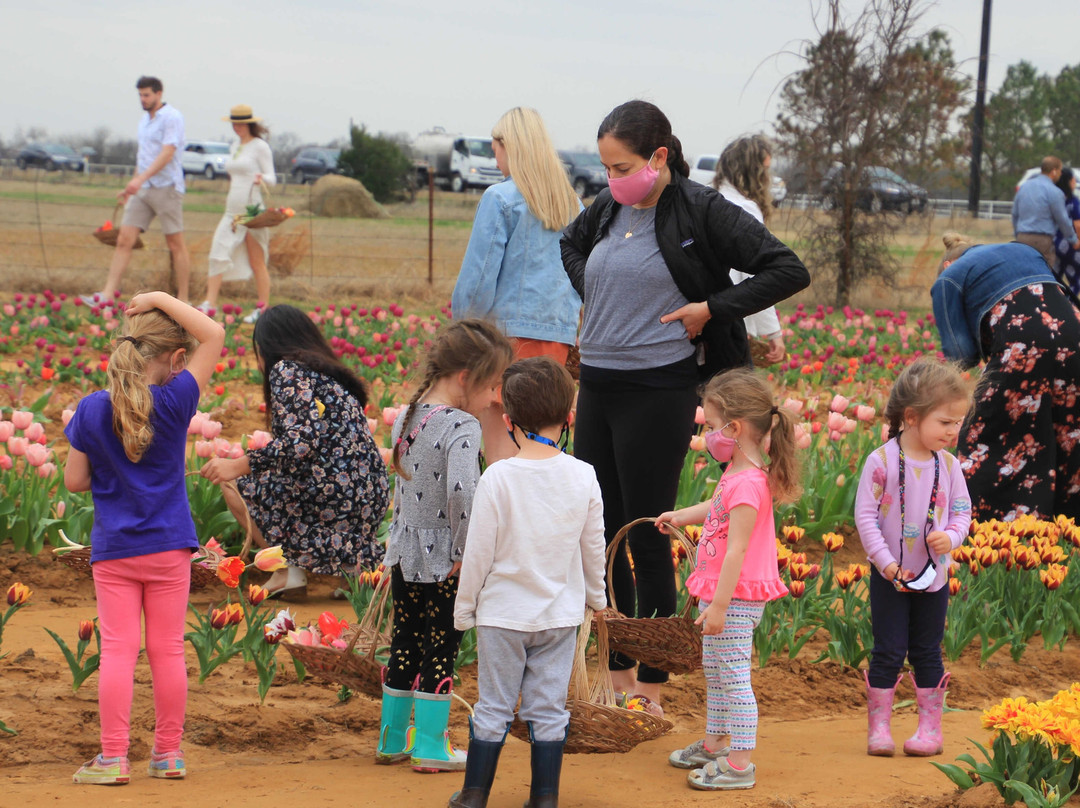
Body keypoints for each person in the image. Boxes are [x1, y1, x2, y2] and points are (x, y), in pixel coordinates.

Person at [560, 100, 809, 712]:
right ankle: (613, 676)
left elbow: (786, 268)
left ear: (659, 157)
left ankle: (652, 681)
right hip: (598, 384)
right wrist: (597, 291)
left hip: (659, 387)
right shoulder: (608, 206)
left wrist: (712, 309)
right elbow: (569, 246)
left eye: (622, 167)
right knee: (602, 532)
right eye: (607, 169)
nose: (613, 180)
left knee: (646, 530)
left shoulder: (702, 209)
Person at [63, 292, 224, 784]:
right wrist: (157, 298)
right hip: (170, 546)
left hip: (116, 550)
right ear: (176, 359)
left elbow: (74, 482)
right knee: (168, 650)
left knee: (117, 651)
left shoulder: (91, 410)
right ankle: (168, 755)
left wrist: (112, 469)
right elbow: (214, 334)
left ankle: (112, 759)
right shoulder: (176, 403)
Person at [449, 357, 606, 808]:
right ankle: (544, 799)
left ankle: (475, 796)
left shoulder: (498, 477)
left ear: (508, 421)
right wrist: (596, 599)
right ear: (569, 418)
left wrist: (465, 608)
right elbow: (592, 548)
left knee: (495, 705)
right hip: (559, 617)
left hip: (503, 616)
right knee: (548, 708)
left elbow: (478, 553)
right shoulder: (584, 475)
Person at [377, 319, 513, 774]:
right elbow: (461, 491)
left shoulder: (407, 416)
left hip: (405, 552)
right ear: (464, 378)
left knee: (405, 641)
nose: (495, 398)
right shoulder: (462, 424)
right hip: (444, 559)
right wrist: (465, 550)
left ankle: (392, 738)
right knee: (441, 647)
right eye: (492, 385)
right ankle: (431, 745)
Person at [655, 368, 800, 791]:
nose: (709, 434)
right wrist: (681, 515)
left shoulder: (749, 484)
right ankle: (717, 741)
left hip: (733, 598)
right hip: (722, 594)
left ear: (735, 429)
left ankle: (740, 764)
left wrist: (719, 605)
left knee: (733, 674)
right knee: (716, 670)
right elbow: (717, 507)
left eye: (713, 426)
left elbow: (736, 549)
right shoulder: (736, 475)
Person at [199, 305, 389, 598]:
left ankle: (286, 572)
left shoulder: (286, 369)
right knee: (300, 476)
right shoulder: (332, 377)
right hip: (370, 495)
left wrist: (240, 465)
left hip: (332, 495)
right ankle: (351, 578)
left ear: (264, 348)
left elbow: (300, 441)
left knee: (233, 482)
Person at [854, 357, 974, 758]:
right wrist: (884, 561)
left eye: (958, 422)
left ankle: (929, 731)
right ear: (911, 417)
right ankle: (880, 731)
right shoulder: (882, 461)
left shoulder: (950, 466)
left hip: (934, 576)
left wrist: (951, 537)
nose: (954, 431)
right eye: (945, 422)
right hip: (889, 575)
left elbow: (962, 511)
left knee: (927, 649)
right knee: (887, 648)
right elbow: (865, 516)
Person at [451, 107, 583, 465]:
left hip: (504, 341)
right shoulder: (572, 204)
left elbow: (479, 280)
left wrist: (462, 329)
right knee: (542, 450)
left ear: (510, 146)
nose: (495, 157)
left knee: (501, 454)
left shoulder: (501, 199)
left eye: (495, 148)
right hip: (556, 341)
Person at [931, 233, 1080, 521]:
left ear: (949, 263)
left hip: (1023, 344)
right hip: (1075, 337)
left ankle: (989, 527)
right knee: (1068, 431)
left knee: (986, 434)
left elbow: (960, 355)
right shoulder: (1022, 251)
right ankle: (1067, 528)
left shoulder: (948, 279)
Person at [85, 77, 190, 307]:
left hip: (167, 187)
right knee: (124, 239)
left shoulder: (172, 117)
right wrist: (132, 186)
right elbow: (143, 158)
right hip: (143, 189)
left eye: (147, 95)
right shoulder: (144, 121)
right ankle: (107, 295)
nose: (143, 99)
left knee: (175, 244)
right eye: (140, 95)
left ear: (159, 94)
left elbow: (167, 153)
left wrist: (140, 179)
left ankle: (184, 299)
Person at [712, 135, 785, 364]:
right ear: (750, 171)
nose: (767, 179)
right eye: (764, 171)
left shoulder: (704, 197)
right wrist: (774, 333)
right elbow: (758, 276)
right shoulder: (744, 208)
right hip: (730, 321)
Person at [200, 105, 276, 324]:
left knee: (256, 260)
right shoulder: (235, 145)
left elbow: (273, 178)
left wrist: (262, 178)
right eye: (234, 123)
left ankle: (262, 308)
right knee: (217, 252)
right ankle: (209, 304)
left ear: (250, 124)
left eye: (241, 123)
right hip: (231, 212)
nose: (237, 127)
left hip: (252, 212)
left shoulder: (260, 146)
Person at [1012, 155, 1078, 268]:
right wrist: (1073, 240)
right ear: (1053, 171)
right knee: (1042, 273)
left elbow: (1015, 214)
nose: (1060, 174)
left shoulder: (1024, 187)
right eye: (1059, 171)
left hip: (1022, 237)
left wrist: (1018, 233)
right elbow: (1062, 219)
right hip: (1042, 240)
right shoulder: (1054, 192)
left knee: (1023, 272)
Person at [1052, 166, 1080, 300]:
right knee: (1076, 279)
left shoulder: (1054, 199)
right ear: (1069, 181)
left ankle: (1054, 302)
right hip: (1070, 244)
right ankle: (1068, 304)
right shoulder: (1073, 201)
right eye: (1074, 180)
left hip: (1053, 243)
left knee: (1055, 277)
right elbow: (1078, 224)